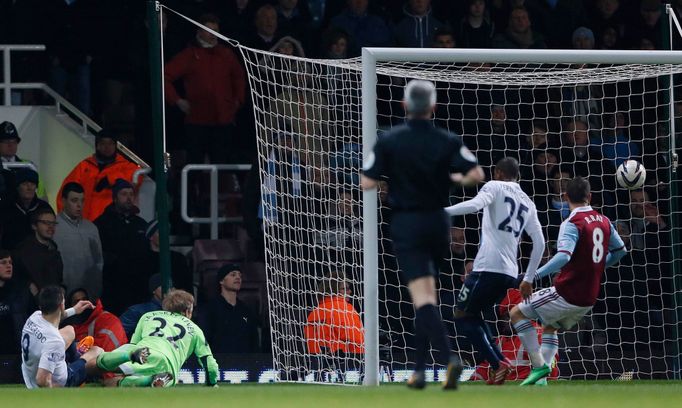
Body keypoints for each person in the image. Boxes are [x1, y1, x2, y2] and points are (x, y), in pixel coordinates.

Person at [361, 79, 484, 390]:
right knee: (426, 297)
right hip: (439, 224)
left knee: (423, 299)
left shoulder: (390, 139)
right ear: (433, 107)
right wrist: (451, 178)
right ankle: (418, 371)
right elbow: (476, 173)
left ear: (404, 106)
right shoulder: (447, 139)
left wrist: (391, 183)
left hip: (409, 224)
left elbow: (366, 181)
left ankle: (448, 359)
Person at [509, 177, 627, 386]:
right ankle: (541, 381)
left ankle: (538, 366)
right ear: (590, 197)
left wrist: (533, 276)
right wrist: (595, 268)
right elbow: (620, 251)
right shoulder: (604, 220)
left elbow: (563, 256)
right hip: (589, 298)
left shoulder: (572, 222)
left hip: (567, 292)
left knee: (516, 313)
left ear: (565, 197)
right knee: (550, 326)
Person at [444, 157, 545, 385]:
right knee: (473, 314)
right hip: (511, 274)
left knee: (462, 315)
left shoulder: (494, 186)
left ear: (498, 172)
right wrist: (528, 278)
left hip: (488, 267)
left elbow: (474, 205)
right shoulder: (528, 202)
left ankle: (498, 363)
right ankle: (498, 364)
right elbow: (539, 243)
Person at [164, 13, 247, 164]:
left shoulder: (226, 54)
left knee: (222, 165)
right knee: (195, 164)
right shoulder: (189, 55)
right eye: (209, 30)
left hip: (223, 121)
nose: (213, 34)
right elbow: (165, 76)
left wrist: (237, 101)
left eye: (215, 30)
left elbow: (239, 77)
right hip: (197, 121)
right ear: (199, 31)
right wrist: (177, 100)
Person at [95, 289, 219, 387]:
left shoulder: (148, 316)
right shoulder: (194, 329)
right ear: (187, 311)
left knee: (107, 374)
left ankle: (102, 362)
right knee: (166, 377)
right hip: (167, 362)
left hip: (142, 353)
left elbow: (133, 344)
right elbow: (210, 365)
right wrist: (211, 383)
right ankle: (147, 381)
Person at [21, 285, 103, 388]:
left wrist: (74, 310)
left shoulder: (34, 317)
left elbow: (55, 315)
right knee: (96, 351)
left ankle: (73, 355)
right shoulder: (55, 341)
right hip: (64, 380)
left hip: (29, 372)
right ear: (61, 306)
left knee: (69, 330)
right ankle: (80, 358)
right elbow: (42, 381)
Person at [58, 129, 141, 222]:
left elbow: (137, 175)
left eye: (111, 143)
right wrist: (64, 220)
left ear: (115, 146)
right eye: (103, 143)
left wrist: (110, 179)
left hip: (112, 222)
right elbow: (65, 193)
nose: (107, 147)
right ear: (97, 146)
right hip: (85, 222)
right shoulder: (84, 166)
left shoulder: (124, 165)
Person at [94, 179, 151, 315]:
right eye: (124, 194)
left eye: (131, 194)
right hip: (113, 286)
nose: (129, 198)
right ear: (115, 198)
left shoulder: (141, 224)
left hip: (138, 286)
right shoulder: (102, 223)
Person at [53, 182, 104, 299]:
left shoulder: (91, 228)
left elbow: (98, 262)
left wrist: (96, 290)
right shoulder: (54, 227)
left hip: (89, 293)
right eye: (74, 200)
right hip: (63, 293)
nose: (79, 205)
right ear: (64, 201)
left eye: (82, 200)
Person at [199, 264, 260, 353]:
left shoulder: (246, 310)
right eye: (233, 275)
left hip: (245, 363)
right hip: (219, 362)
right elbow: (204, 339)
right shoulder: (210, 309)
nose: (238, 278)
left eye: (240, 275)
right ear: (221, 281)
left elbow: (254, 341)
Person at [304, 270, 364, 355]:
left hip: (316, 364)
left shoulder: (314, 313)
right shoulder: (345, 309)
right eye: (345, 289)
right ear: (333, 290)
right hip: (345, 363)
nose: (350, 292)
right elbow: (356, 340)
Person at [12, 208, 63, 297]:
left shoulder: (54, 251)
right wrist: (28, 284)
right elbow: (14, 277)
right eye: (46, 223)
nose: (51, 226)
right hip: (32, 304)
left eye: (53, 223)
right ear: (34, 226)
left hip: (53, 303)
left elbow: (58, 279)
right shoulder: (22, 251)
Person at [0, 168, 52, 250]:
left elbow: (51, 233)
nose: (29, 187)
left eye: (33, 184)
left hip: (39, 257)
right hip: (10, 258)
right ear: (17, 186)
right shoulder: (5, 207)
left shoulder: (44, 207)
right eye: (25, 183)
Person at [64, 288, 128, 353]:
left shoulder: (107, 320)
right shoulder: (76, 325)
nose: (81, 303)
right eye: (77, 302)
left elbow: (99, 354)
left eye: (84, 299)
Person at [0, 250, 35, 355]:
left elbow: (35, 318)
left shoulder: (22, 291)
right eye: (3, 262)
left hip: (18, 352)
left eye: (10, 262)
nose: (9, 266)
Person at [0, 121, 45, 198]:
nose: (10, 145)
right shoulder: (29, 166)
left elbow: (41, 197)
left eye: (14, 141)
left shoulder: (29, 166)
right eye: (6, 141)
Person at [119, 274, 164, 339]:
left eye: (171, 286)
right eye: (163, 286)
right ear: (154, 290)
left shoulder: (178, 310)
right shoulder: (137, 311)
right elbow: (118, 333)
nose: (169, 289)